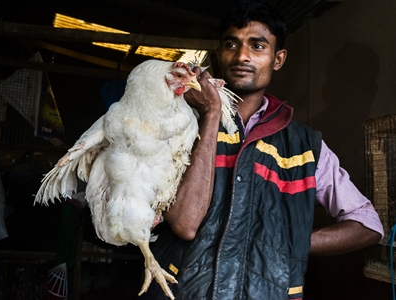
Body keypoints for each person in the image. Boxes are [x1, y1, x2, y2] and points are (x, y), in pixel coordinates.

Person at [140, 1, 384, 299]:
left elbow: (368, 224)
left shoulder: (304, 146)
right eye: (232, 44)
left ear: (277, 59)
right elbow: (184, 224)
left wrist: (291, 241)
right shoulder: (176, 124)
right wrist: (212, 113)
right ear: (220, 54)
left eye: (257, 46)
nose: (242, 56)